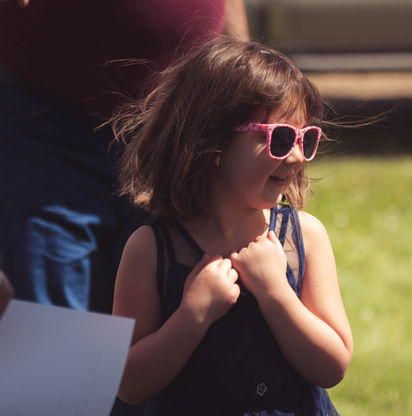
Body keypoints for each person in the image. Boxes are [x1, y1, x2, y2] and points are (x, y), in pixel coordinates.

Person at [111, 36, 353, 415]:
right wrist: (193, 316)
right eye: (281, 138)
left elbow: (333, 365)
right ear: (213, 142)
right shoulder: (150, 249)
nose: (295, 156)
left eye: (306, 139)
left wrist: (276, 293)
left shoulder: (304, 237)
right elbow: (127, 383)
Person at [0, 0, 248, 314]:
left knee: (165, 319)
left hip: (176, 133)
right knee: (51, 331)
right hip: (48, 125)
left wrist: (243, 84)